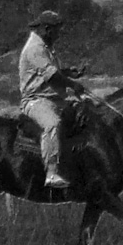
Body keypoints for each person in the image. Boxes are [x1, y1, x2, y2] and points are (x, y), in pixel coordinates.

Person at [18, 10, 88, 189]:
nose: (59, 35)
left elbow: (51, 72)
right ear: (47, 29)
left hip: (53, 97)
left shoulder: (45, 46)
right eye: (57, 31)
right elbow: (52, 78)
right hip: (36, 100)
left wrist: (68, 72)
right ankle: (51, 172)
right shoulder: (35, 49)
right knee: (53, 124)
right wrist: (73, 84)